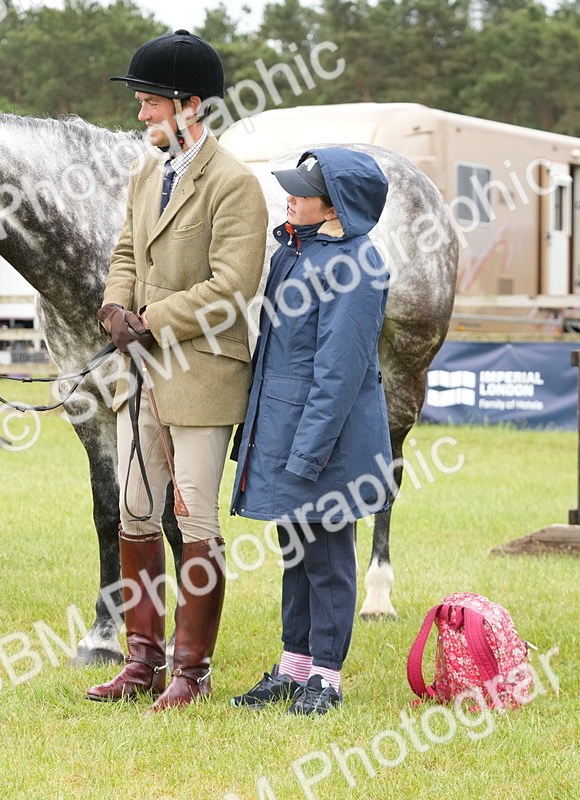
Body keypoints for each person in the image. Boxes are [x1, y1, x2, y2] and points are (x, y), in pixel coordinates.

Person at [85, 30, 268, 711]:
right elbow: (126, 252)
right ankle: (142, 664)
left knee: (194, 517)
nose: (140, 118)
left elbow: (232, 287)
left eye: (148, 106)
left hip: (202, 371)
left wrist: (151, 317)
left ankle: (193, 671)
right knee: (135, 510)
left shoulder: (235, 184)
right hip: (143, 370)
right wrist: (113, 306)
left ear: (189, 106)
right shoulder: (144, 175)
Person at [228, 149, 394, 715]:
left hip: (327, 443)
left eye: (302, 191)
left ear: (335, 206)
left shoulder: (359, 265)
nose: (290, 198)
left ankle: (327, 677)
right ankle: (295, 665)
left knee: (327, 557)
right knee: (295, 552)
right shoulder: (291, 254)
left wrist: (307, 455)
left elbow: (338, 374)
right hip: (282, 431)